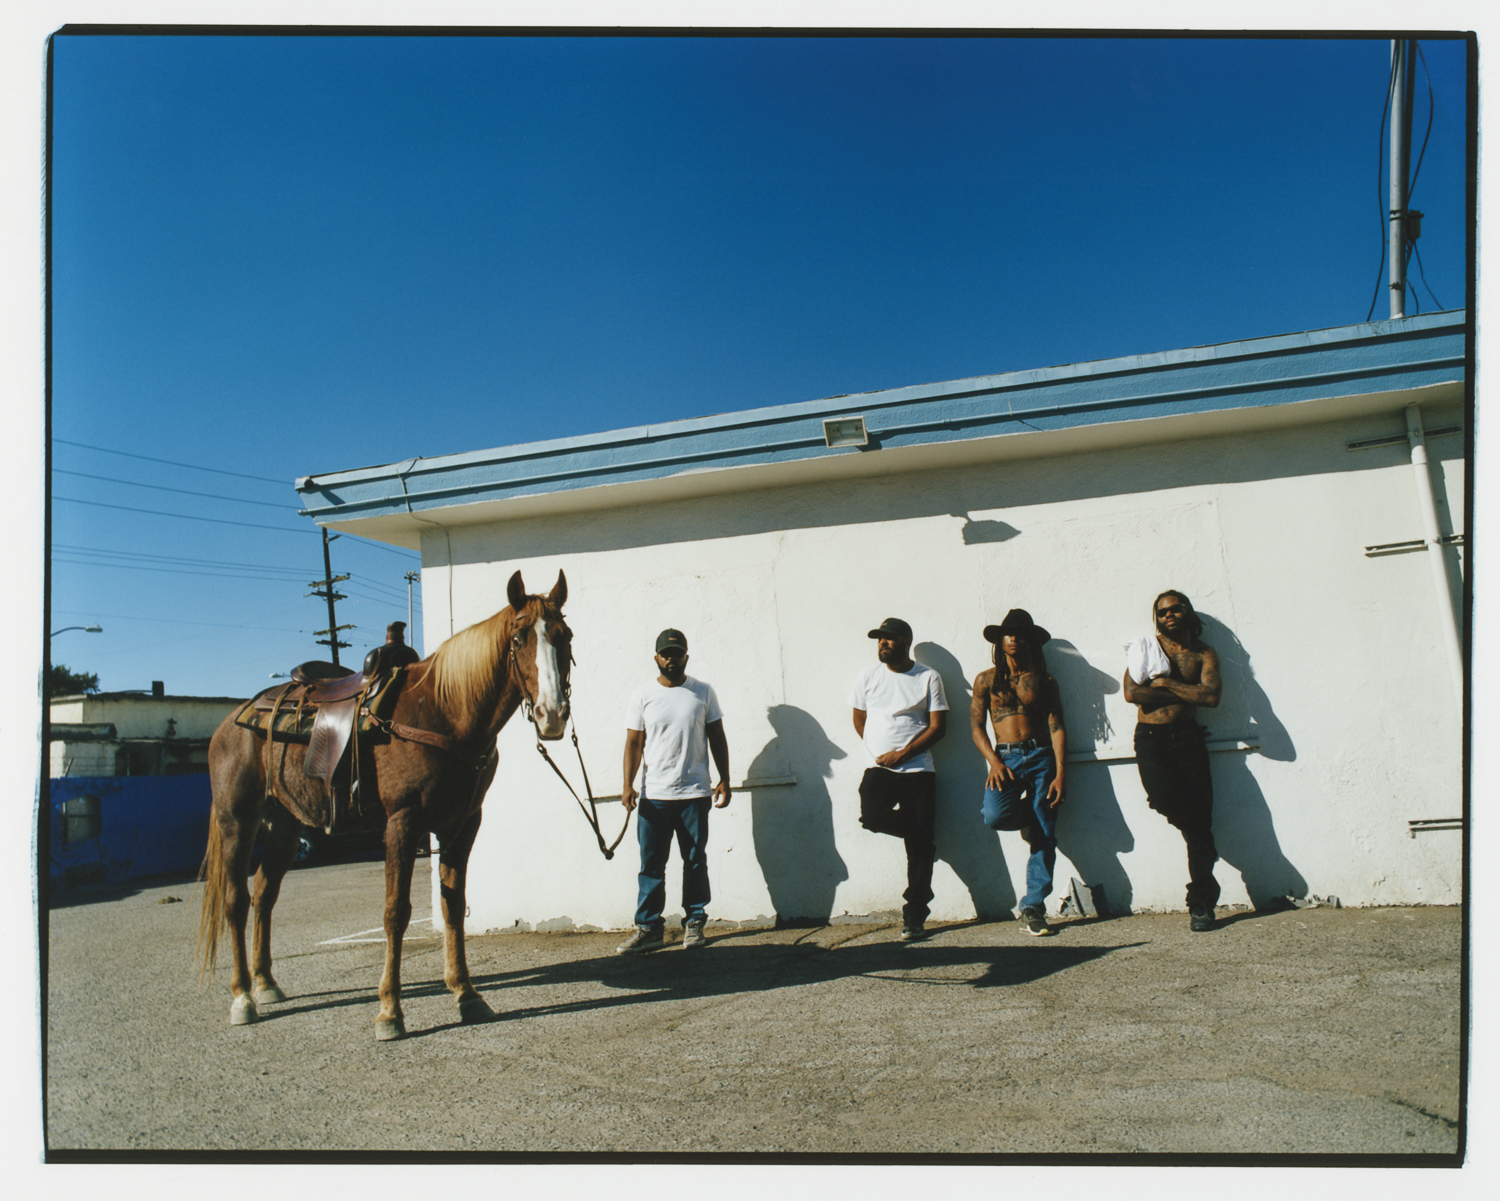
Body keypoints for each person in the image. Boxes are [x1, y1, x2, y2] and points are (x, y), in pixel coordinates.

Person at [617, 628, 731, 954]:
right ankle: (649, 929)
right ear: (656, 658)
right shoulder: (642, 696)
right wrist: (627, 785)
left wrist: (724, 778)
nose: (671, 659)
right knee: (651, 864)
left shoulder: (703, 692)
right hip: (654, 796)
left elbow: (717, 736)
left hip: (695, 793)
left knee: (695, 860)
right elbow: (634, 742)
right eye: (666, 654)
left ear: (686, 657)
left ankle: (694, 923)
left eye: (677, 653)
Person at [1123, 590, 1223, 932]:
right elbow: (1132, 693)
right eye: (1162, 611)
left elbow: (1211, 697)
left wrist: (1165, 683)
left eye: (1176, 609)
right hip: (1151, 740)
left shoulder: (1204, 653)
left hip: (1189, 738)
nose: (1169, 615)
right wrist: (1182, 688)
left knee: (1200, 823)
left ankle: (1200, 902)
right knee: (1165, 801)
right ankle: (1198, 837)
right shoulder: (1146, 648)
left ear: (1187, 612)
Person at [969, 609, 1067, 937]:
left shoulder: (1044, 681)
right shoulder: (985, 680)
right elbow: (976, 727)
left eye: (1021, 634)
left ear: (1029, 640)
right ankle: (1028, 817)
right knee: (994, 816)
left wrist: (1060, 774)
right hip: (1005, 760)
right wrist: (993, 763)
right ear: (1000, 640)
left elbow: (1056, 727)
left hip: (1041, 757)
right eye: (1008, 633)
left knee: (1044, 835)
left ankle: (1032, 907)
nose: (1014, 639)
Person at [851, 617, 949, 941]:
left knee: (918, 851)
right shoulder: (867, 677)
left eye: (889, 639)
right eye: (880, 639)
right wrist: (879, 752)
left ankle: (915, 916)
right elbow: (859, 718)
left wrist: (902, 754)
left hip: (919, 770)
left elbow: (938, 728)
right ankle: (922, 833)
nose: (883, 644)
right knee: (872, 817)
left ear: (906, 641)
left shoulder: (928, 677)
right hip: (879, 769)